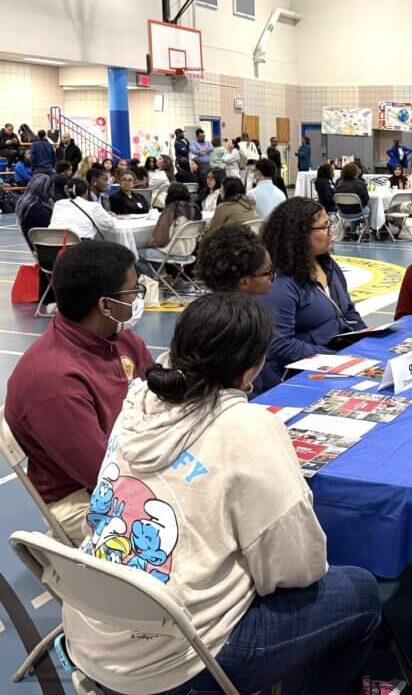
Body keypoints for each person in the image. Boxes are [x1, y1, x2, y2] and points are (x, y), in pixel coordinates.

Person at [63, 293, 382, 695]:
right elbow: (297, 569)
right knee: (361, 592)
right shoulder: (245, 426)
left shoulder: (136, 403)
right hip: (181, 663)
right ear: (252, 369)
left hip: (91, 638)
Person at [4, 241, 152, 544]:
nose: (138, 298)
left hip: (135, 458)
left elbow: (161, 396)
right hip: (80, 497)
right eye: (133, 291)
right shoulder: (54, 384)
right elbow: (105, 476)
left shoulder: (119, 340)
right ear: (105, 306)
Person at [259, 198, 366, 392]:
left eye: (330, 224)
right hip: (298, 375)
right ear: (300, 234)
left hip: (337, 360)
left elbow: (348, 311)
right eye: (324, 227)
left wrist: (366, 339)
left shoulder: (328, 265)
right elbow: (279, 345)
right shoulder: (280, 284)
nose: (331, 232)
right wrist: (333, 355)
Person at [197, 225, 274, 294]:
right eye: (269, 271)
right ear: (244, 283)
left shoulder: (200, 308)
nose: (273, 275)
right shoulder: (263, 307)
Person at [49, 177, 116, 240]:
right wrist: (110, 216)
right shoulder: (93, 206)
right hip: (80, 247)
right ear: (86, 192)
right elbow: (109, 225)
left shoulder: (58, 204)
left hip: (52, 244)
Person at [146, 183, 200, 254]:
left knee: (138, 254)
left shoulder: (171, 209)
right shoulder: (195, 208)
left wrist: (150, 244)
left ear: (170, 195)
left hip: (171, 251)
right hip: (191, 249)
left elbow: (161, 238)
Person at [16, 173, 54, 240]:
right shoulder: (37, 209)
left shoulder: (24, 204)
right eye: (52, 189)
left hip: (35, 243)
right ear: (46, 190)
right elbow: (52, 227)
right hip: (47, 242)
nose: (53, 191)